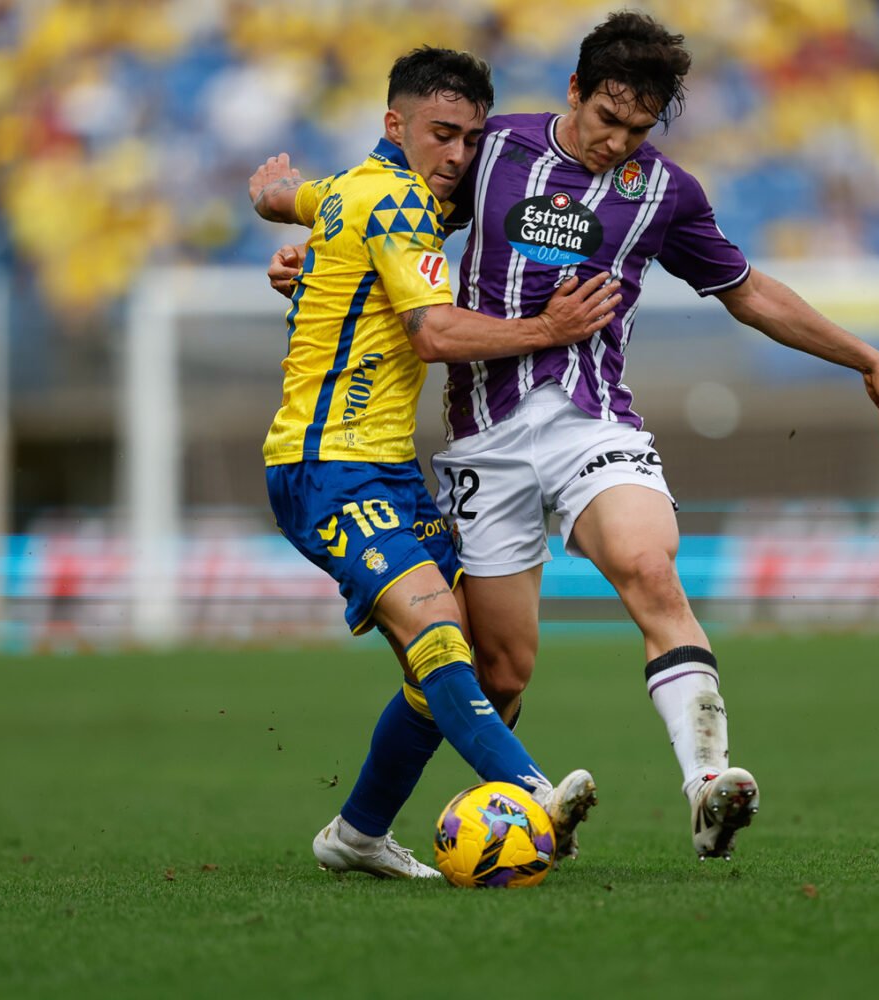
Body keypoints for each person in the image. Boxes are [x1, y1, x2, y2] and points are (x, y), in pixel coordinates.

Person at [268, 12, 879, 861]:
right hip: (482, 438)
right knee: (499, 669)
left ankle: (707, 783)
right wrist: (309, 245)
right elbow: (385, 205)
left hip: (592, 418)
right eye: (605, 120)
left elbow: (750, 292)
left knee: (648, 564)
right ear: (574, 91)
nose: (617, 143)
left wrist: (864, 357)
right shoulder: (493, 150)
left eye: (638, 129)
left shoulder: (666, 194)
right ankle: (374, 827)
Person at [248, 46, 621, 879]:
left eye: (469, 139)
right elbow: (436, 334)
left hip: (386, 468)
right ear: (396, 125)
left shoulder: (363, 188)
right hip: (324, 463)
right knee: (439, 633)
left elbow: (308, 197)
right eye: (441, 134)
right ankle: (531, 794)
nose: (457, 156)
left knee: (472, 670)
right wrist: (547, 331)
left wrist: (283, 208)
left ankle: (357, 835)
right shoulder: (394, 204)